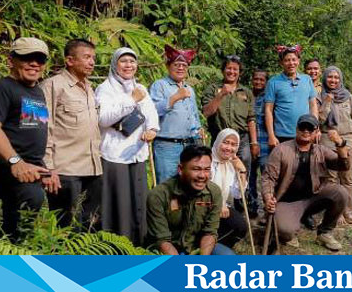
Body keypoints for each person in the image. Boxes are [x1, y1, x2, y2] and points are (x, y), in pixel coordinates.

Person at [0, 37, 52, 240]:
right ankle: (9, 251)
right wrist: (15, 161)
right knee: (30, 198)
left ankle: (9, 248)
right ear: (11, 60)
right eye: (27, 58)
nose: (34, 64)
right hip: (1, 167)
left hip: (29, 167)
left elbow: (32, 131)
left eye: (40, 59)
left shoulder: (37, 92)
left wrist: (45, 170)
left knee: (59, 194)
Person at [95, 47, 159, 245]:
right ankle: (115, 244)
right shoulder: (105, 89)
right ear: (115, 64)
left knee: (137, 200)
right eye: (124, 61)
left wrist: (153, 130)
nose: (128, 65)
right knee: (119, 202)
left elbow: (151, 113)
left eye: (132, 62)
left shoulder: (140, 88)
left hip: (137, 154)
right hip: (114, 155)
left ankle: (137, 244)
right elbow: (103, 119)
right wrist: (131, 100)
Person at [261, 114, 349, 251]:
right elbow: (268, 178)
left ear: (316, 132)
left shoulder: (321, 150)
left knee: (341, 192)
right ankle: (285, 224)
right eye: (303, 127)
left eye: (310, 128)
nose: (306, 131)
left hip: (312, 198)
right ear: (296, 129)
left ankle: (325, 232)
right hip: (287, 201)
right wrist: (268, 198)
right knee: (285, 231)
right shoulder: (281, 150)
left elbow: (343, 166)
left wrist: (340, 143)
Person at [41, 39, 102, 229]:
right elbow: (44, 128)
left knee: (89, 224)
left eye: (93, 58)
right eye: (86, 57)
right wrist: (48, 168)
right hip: (65, 169)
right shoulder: (52, 86)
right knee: (65, 226)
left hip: (92, 168)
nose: (91, 62)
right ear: (69, 60)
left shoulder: (89, 88)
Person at [146, 144, 235, 255]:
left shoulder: (213, 192)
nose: (202, 175)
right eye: (196, 169)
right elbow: (162, 240)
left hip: (197, 245)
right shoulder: (159, 195)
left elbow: (210, 233)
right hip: (168, 248)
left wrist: (202, 260)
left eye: (207, 169)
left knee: (228, 256)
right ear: (180, 169)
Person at [149, 45, 203, 184]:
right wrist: (174, 98)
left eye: (184, 65)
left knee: (186, 185)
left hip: (188, 145)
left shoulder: (189, 89)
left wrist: (197, 129)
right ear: (168, 66)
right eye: (176, 64)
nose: (180, 68)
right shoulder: (159, 85)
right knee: (167, 186)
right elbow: (152, 111)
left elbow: (194, 115)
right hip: (166, 146)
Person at [201, 56, 257, 174]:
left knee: (243, 171)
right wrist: (221, 95)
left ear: (239, 72)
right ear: (223, 70)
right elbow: (206, 112)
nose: (232, 72)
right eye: (228, 68)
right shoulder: (212, 89)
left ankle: (243, 192)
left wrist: (254, 143)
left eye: (235, 69)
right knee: (218, 171)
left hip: (242, 140)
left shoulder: (246, 92)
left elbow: (251, 119)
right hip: (219, 137)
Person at [318, 66, 352, 224]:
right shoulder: (319, 96)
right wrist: (327, 102)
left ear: (340, 79)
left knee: (347, 178)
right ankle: (335, 211)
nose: (333, 80)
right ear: (325, 78)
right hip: (328, 139)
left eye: (336, 78)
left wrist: (346, 134)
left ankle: (348, 210)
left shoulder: (349, 97)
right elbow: (319, 120)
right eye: (330, 77)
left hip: (348, 140)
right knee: (331, 178)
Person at [264, 45, 318, 149]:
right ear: (281, 63)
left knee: (304, 164)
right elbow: (268, 110)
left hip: (305, 133)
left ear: (298, 61)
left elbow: (313, 106)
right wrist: (271, 135)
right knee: (284, 164)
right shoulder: (273, 82)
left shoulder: (307, 80)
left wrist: (315, 128)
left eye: (294, 59)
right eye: (287, 60)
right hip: (281, 135)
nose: (291, 63)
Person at [210, 129, 248, 249]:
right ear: (218, 142)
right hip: (203, 206)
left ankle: (217, 248)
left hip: (222, 207)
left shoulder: (231, 164)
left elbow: (237, 194)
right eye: (225, 142)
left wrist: (242, 172)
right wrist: (219, 203)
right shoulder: (207, 162)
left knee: (241, 227)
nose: (229, 148)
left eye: (233, 145)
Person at [247, 69, 269, 216]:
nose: (258, 82)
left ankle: (269, 208)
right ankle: (252, 207)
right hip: (247, 142)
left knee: (267, 176)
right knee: (249, 176)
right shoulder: (246, 96)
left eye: (262, 80)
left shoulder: (269, 97)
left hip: (266, 142)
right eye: (256, 79)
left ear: (266, 82)